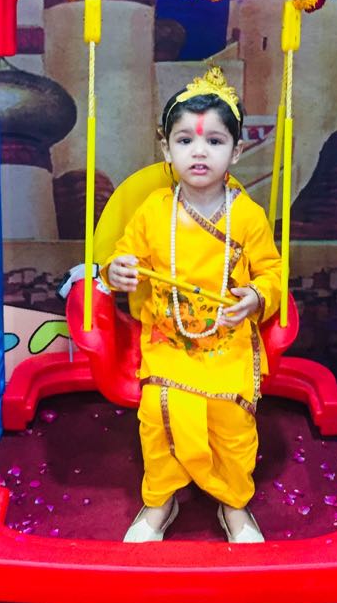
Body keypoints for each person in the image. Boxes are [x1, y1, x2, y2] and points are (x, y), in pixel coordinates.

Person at [104, 67, 282, 544]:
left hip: (227, 343)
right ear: (166, 149)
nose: (199, 152)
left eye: (214, 141)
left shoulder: (248, 215)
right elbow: (122, 258)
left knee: (231, 419)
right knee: (158, 411)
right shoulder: (154, 210)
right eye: (185, 140)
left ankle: (234, 503)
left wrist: (256, 297)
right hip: (170, 341)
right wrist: (117, 272)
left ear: (236, 151)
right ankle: (160, 501)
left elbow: (271, 273)